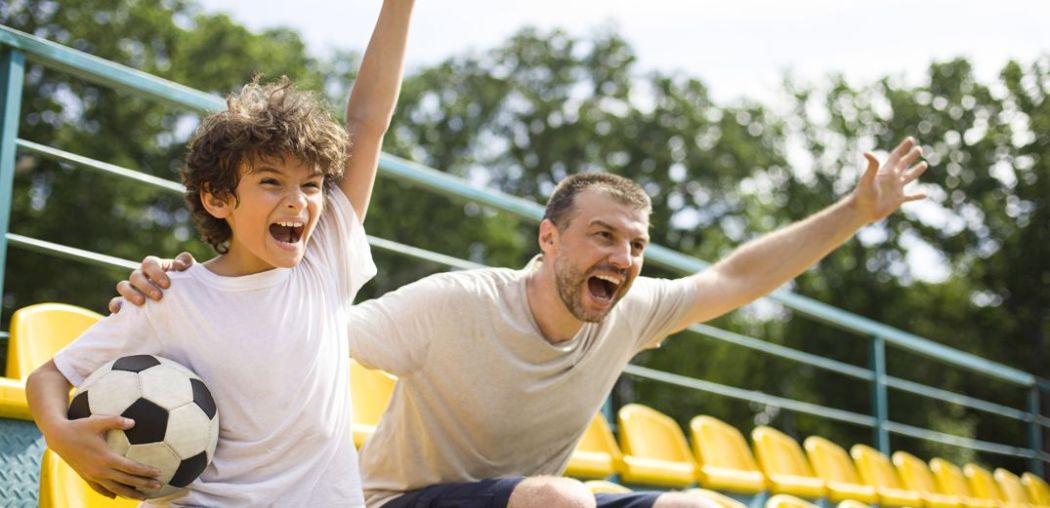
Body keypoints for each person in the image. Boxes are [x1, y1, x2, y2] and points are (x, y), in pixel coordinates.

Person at [117, 138, 928, 507]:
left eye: (636, 244)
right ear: (549, 238)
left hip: (538, 502)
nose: (623, 256)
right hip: (403, 504)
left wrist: (855, 211)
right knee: (557, 504)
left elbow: (737, 275)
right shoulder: (454, 305)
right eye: (603, 235)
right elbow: (298, 335)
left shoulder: (630, 309)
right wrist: (196, 286)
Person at [26, 1, 415, 505]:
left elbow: (368, 120)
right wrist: (61, 435)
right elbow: (50, 376)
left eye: (312, 185)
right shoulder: (169, 295)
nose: (297, 200)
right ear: (217, 198)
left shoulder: (326, 260)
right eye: (271, 182)